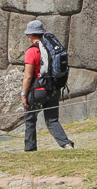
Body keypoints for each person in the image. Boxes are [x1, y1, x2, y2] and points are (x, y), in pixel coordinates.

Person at [20, 19, 75, 152]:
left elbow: (28, 76)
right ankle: (66, 144)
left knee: (30, 119)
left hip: (38, 90)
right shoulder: (50, 48)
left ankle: (30, 149)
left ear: (32, 35)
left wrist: (23, 94)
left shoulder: (32, 51)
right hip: (54, 88)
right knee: (52, 120)